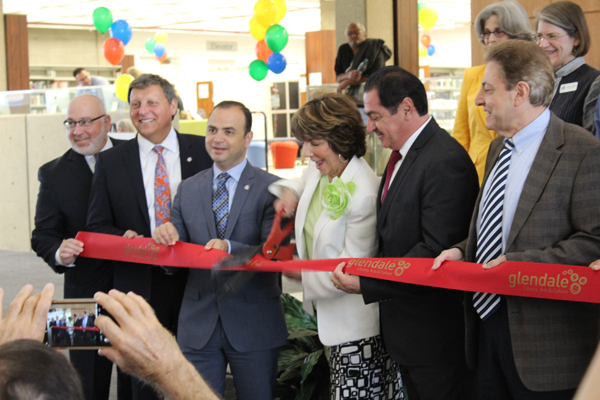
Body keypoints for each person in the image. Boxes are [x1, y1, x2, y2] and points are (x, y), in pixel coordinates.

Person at [432, 40, 600, 399]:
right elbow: (497, 226)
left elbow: (593, 242)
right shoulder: (496, 148)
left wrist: (515, 267)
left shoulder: (582, 151)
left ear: (520, 92)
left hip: (546, 351)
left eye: (488, 89)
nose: (478, 100)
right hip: (484, 332)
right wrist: (464, 251)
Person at [331, 66, 480, 400]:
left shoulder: (444, 160)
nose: (369, 127)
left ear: (407, 108)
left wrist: (367, 282)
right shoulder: (402, 155)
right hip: (408, 337)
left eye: (375, 116)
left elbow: (436, 250)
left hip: (436, 341)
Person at [85, 73, 213, 399]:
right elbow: (97, 225)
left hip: (194, 285)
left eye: (152, 102)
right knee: (141, 381)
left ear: (172, 106)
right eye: (136, 104)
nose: (143, 111)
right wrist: (122, 237)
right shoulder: (111, 161)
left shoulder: (203, 151)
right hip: (138, 287)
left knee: (197, 373)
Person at [268, 93, 402, 399]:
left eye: (314, 142)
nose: (306, 152)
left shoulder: (364, 192)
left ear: (340, 139)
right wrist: (289, 193)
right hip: (332, 325)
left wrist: (297, 272)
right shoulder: (325, 170)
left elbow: (349, 270)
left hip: (357, 332)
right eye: (304, 142)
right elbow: (303, 179)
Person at [152, 101, 288, 399]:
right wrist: (166, 241)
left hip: (254, 323)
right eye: (212, 130)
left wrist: (229, 248)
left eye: (229, 131)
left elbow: (275, 254)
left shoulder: (273, 188)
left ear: (248, 138)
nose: (218, 138)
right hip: (198, 326)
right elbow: (172, 263)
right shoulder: (187, 188)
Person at [30, 94, 120, 400]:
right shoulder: (53, 173)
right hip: (81, 296)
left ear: (106, 123)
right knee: (84, 386)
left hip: (137, 289)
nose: (77, 131)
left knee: (141, 382)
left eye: (85, 122)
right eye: (71, 123)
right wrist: (59, 251)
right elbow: (42, 234)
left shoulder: (136, 157)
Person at [453, 0, 533, 185]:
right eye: (487, 33)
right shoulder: (472, 76)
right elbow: (460, 137)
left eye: (498, 32)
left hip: (519, 171)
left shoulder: (532, 76)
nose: (491, 39)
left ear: (516, 33)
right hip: (475, 175)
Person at [535, 1, 600, 134]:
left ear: (576, 38)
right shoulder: (536, 82)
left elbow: (593, 145)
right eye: (539, 36)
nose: (542, 44)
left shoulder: (593, 82)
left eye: (552, 36)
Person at [335, 22, 392, 99]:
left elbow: (376, 76)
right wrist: (349, 75)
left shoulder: (374, 48)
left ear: (364, 33)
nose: (353, 35)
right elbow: (338, 78)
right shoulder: (343, 49)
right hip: (349, 95)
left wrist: (347, 81)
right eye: (350, 33)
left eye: (357, 32)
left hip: (372, 94)